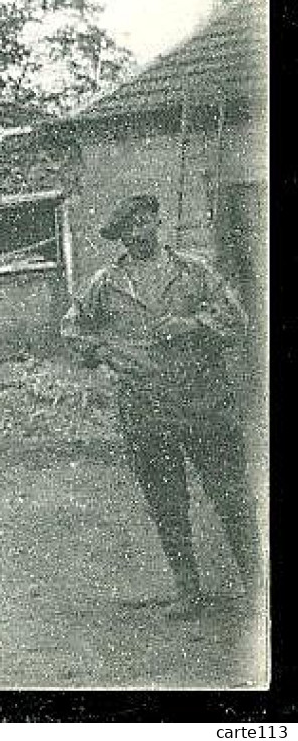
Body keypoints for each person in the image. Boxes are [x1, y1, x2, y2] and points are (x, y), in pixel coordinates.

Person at [61, 193, 260, 619]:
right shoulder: (106, 283)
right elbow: (72, 330)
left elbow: (236, 320)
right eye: (128, 227)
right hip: (145, 408)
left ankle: (259, 588)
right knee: (167, 503)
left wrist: (187, 326)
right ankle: (189, 593)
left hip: (203, 401)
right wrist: (105, 351)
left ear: (156, 222)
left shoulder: (194, 271)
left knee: (231, 496)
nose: (138, 231)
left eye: (144, 221)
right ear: (121, 236)